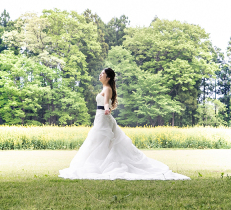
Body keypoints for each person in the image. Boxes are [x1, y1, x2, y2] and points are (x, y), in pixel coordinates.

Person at [58, 67, 190, 180]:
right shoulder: (105, 87)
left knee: (99, 140)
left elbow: (105, 103)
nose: (100, 75)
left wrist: (106, 110)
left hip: (103, 117)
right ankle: (98, 164)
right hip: (99, 117)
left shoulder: (107, 89)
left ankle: (98, 166)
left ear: (108, 77)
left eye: (102, 74)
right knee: (98, 141)